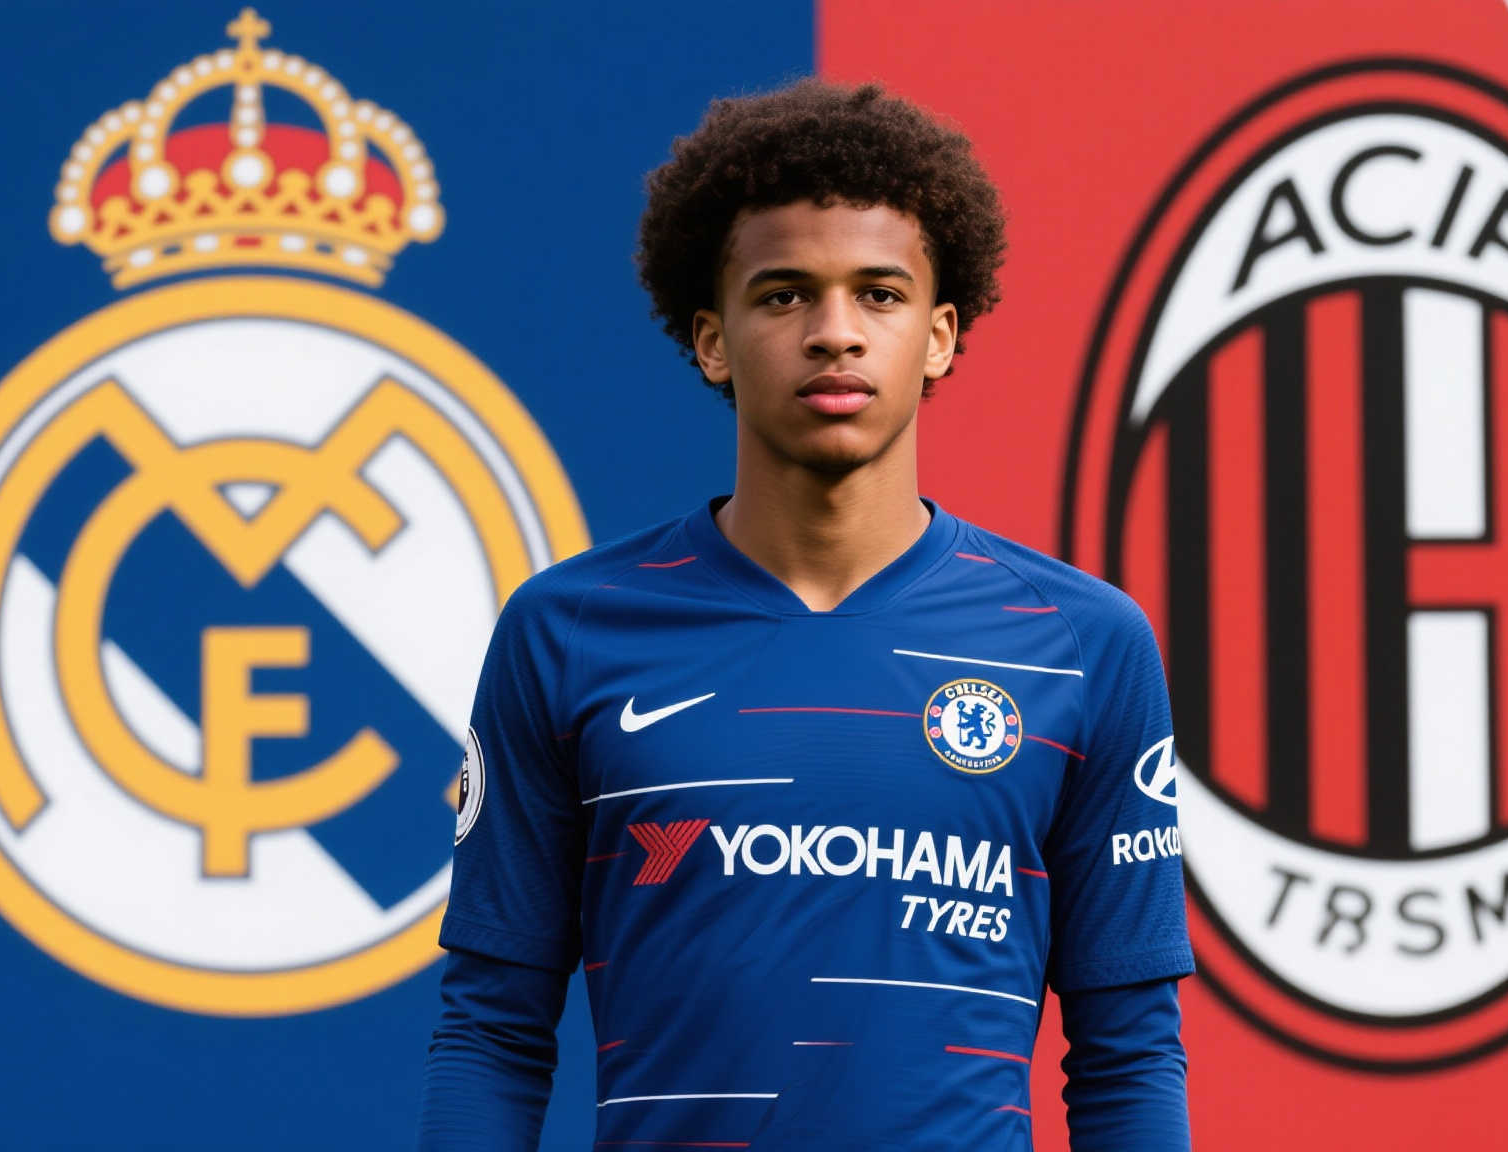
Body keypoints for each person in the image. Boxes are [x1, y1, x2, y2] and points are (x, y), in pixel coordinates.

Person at [419, 80, 1192, 1151]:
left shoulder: (1083, 643)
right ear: (712, 340)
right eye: (784, 295)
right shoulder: (567, 630)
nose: (835, 334)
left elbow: (1128, 1053)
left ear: (939, 335)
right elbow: (493, 1032)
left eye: (879, 294)